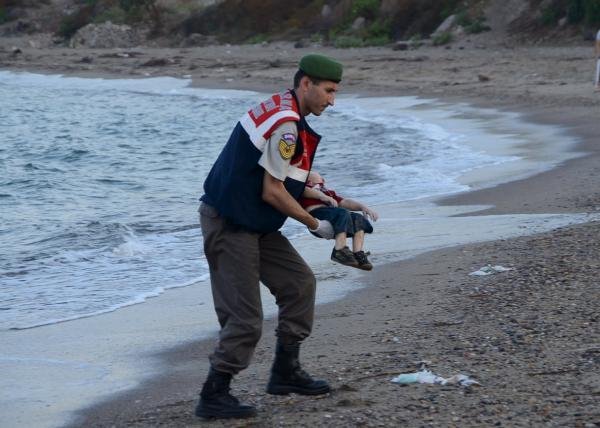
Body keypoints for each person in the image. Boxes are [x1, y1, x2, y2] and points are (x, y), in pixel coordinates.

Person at [196, 54, 343, 419]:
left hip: (255, 221)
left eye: (335, 93)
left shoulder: (283, 108)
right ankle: (214, 393)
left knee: (299, 284)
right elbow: (273, 191)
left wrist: (318, 191)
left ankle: (285, 372)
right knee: (245, 318)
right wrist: (314, 224)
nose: (332, 101)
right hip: (230, 223)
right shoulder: (287, 126)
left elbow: (277, 174)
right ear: (306, 84)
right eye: (328, 91)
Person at [299, 170, 378, 270]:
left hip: (334, 218)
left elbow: (345, 202)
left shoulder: (328, 193)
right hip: (316, 216)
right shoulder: (304, 189)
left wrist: (363, 207)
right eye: (319, 181)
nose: (322, 182)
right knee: (342, 212)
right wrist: (322, 196)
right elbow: (304, 190)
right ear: (309, 182)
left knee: (358, 218)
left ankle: (358, 253)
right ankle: (339, 250)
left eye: (322, 182)